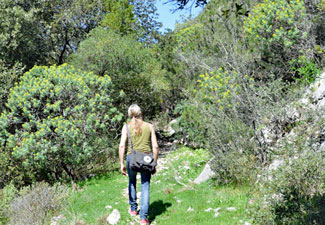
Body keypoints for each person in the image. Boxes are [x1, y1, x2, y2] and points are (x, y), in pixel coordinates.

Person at [119, 104, 159, 225]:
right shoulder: (150, 126)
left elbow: (122, 145)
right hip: (146, 159)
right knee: (145, 185)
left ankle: (133, 209)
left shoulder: (126, 127)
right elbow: (155, 146)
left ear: (130, 114)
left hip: (132, 158)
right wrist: (155, 163)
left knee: (132, 181)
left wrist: (121, 163)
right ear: (140, 113)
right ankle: (144, 218)